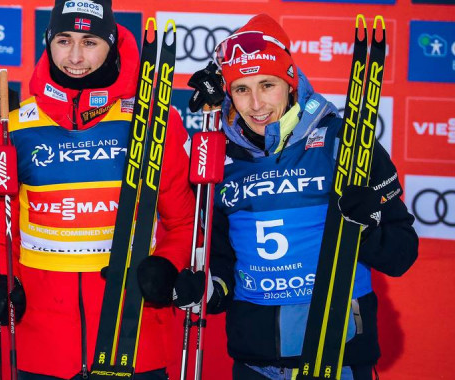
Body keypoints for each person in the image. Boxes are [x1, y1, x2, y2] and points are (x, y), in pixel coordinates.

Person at [177, 14, 419, 380]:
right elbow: (224, 265)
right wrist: (208, 288)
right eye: (241, 89)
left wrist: (366, 228)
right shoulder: (221, 158)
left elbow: (401, 254)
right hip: (254, 361)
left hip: (337, 354)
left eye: (268, 85)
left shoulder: (344, 142)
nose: (256, 104)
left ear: (290, 83)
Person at [0, 0, 196, 379]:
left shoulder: (155, 119)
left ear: (111, 44)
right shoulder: (14, 127)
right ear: (48, 42)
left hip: (133, 338)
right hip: (42, 348)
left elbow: (185, 221)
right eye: (64, 40)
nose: (74, 56)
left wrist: (169, 265)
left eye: (90, 42)